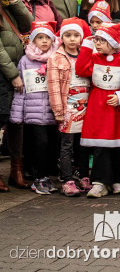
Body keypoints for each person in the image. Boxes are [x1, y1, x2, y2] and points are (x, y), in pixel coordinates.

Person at [77, 23, 120, 198]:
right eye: (97, 40)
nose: (98, 43)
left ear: (113, 42)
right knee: (100, 145)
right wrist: (86, 48)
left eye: (102, 40)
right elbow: (81, 69)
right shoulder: (95, 58)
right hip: (98, 107)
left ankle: (117, 180)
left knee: (116, 145)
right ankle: (99, 182)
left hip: (115, 108)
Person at [11, 21, 59, 194]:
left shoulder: (57, 58)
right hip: (33, 113)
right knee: (39, 144)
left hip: (54, 112)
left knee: (52, 145)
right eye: (40, 38)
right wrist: (16, 115)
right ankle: (39, 178)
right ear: (33, 41)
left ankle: (47, 176)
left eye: (48, 37)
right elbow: (20, 90)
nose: (44, 41)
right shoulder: (25, 61)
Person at [46, 17, 90, 196]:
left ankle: (84, 177)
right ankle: (67, 180)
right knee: (66, 145)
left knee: (84, 145)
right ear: (61, 38)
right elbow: (54, 86)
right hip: (68, 109)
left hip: (86, 108)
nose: (72, 39)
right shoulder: (56, 58)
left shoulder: (86, 55)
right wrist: (58, 110)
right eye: (68, 35)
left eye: (76, 35)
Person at [1, 0, 33, 191]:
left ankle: (16, 171)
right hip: (5, 73)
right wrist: (12, 74)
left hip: (16, 69)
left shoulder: (7, 1)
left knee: (16, 122)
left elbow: (27, 24)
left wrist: (14, 1)